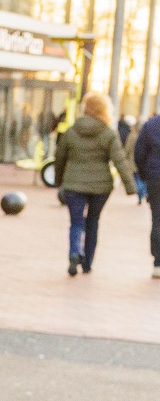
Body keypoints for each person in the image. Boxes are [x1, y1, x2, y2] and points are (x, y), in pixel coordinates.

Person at [54, 91, 137, 275]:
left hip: (73, 184)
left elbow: (59, 157)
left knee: (76, 222)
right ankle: (88, 262)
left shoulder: (72, 130)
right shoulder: (108, 133)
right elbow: (120, 160)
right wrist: (130, 187)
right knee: (93, 221)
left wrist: (59, 180)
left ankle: (74, 253)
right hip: (101, 186)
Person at [130, 111, 160, 276]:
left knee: (157, 219)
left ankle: (158, 262)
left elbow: (139, 153)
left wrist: (144, 175)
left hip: (155, 178)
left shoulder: (151, 125)